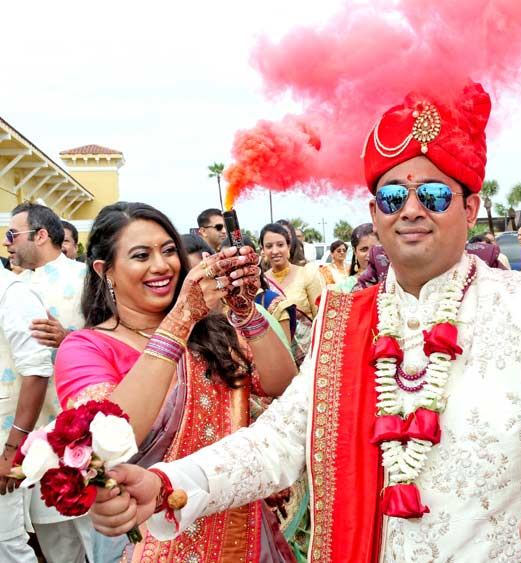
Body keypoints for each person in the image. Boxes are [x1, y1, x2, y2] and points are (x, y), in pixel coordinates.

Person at [89, 83, 521, 562]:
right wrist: (168, 484)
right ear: (373, 215)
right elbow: (277, 442)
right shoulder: (344, 321)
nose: (411, 209)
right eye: (393, 197)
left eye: (434, 193)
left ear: (469, 208)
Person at [54, 202, 298, 562]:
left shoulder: (212, 333)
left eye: (169, 250)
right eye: (141, 255)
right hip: (149, 536)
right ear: (106, 270)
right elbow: (107, 440)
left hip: (240, 527)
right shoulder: (86, 348)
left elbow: (282, 386)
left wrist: (246, 313)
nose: (161, 265)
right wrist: (180, 320)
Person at [3, 202, 91, 561]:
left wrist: (69, 336)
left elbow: (115, 338)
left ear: (40, 235)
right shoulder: (13, 286)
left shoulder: (86, 277)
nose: (7, 242)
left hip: (83, 432)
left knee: (97, 538)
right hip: (34, 439)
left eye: (13, 234)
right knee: (54, 541)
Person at [0, 267, 54, 563]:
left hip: (4, 440)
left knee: (7, 545)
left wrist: (11, 451)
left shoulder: (13, 294)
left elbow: (36, 372)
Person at [260, 223, 322, 365]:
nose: (275, 251)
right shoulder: (261, 282)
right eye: (269, 246)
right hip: (277, 359)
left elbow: (320, 317)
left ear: (288, 247)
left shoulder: (307, 274)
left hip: (309, 357)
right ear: (263, 250)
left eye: (280, 245)